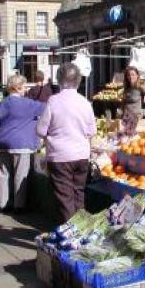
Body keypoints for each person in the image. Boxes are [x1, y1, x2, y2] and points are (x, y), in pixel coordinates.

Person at [37, 63, 96, 222]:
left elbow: (41, 130)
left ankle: (71, 234)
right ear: (78, 81)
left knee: (65, 198)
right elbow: (92, 131)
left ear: (59, 80)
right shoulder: (85, 102)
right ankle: (80, 231)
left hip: (60, 155)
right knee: (78, 193)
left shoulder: (53, 101)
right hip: (81, 155)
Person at [0, 75, 45, 212]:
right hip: (21, 144)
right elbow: (47, 108)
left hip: (2, 142)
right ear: (18, 88)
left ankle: (3, 204)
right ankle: (19, 205)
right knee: (20, 174)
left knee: (3, 174)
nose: (25, 90)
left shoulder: (2, 103)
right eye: (24, 87)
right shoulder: (28, 104)